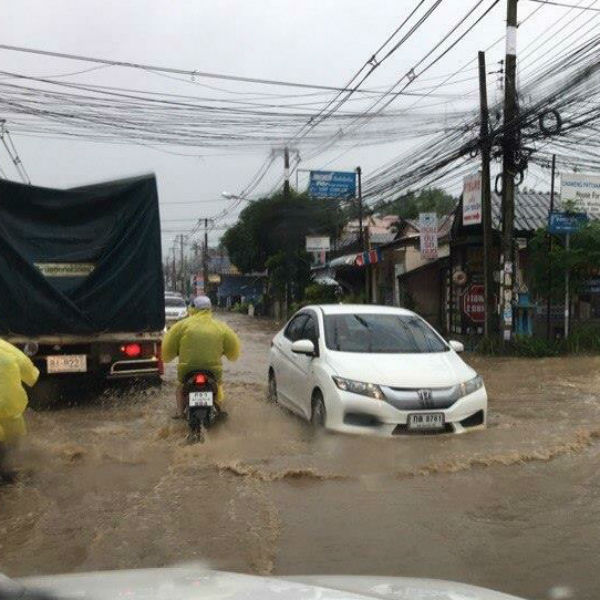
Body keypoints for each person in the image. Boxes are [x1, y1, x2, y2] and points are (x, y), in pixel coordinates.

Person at [162, 295, 241, 418]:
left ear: (192, 308)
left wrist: (171, 355)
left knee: (180, 389)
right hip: (213, 372)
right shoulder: (221, 327)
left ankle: (180, 413)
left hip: (186, 371)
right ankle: (218, 408)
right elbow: (234, 353)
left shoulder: (181, 326)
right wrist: (225, 352)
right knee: (219, 389)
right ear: (210, 309)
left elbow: (166, 351)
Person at [0, 339, 39, 482]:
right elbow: (31, 376)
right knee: (13, 440)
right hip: (11, 407)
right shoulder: (8, 348)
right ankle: (10, 473)